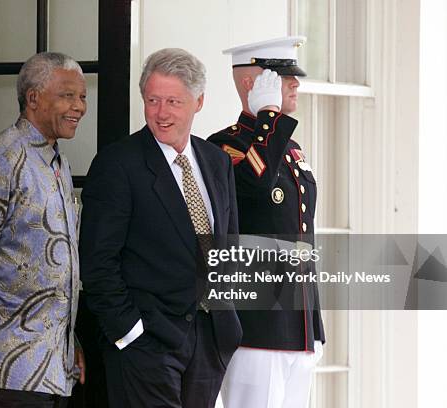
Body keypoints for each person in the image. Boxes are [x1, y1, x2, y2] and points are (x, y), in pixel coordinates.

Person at [79, 48, 242, 408]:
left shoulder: (216, 162)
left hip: (209, 339)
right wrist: (129, 333)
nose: (161, 113)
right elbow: (96, 261)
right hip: (146, 343)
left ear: (198, 102)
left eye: (173, 101)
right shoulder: (118, 164)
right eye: (153, 100)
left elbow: (227, 245)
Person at [207, 36, 326, 408]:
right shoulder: (223, 145)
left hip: (297, 325)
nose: (294, 83)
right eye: (280, 76)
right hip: (256, 325)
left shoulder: (290, 149)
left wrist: (314, 324)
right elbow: (253, 187)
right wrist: (268, 117)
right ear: (250, 85)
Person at [0, 52, 86, 408]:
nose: (79, 107)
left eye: (82, 97)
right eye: (68, 95)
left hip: (55, 368)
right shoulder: (0, 161)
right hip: (11, 370)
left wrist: (71, 340)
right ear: (33, 97)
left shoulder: (57, 160)